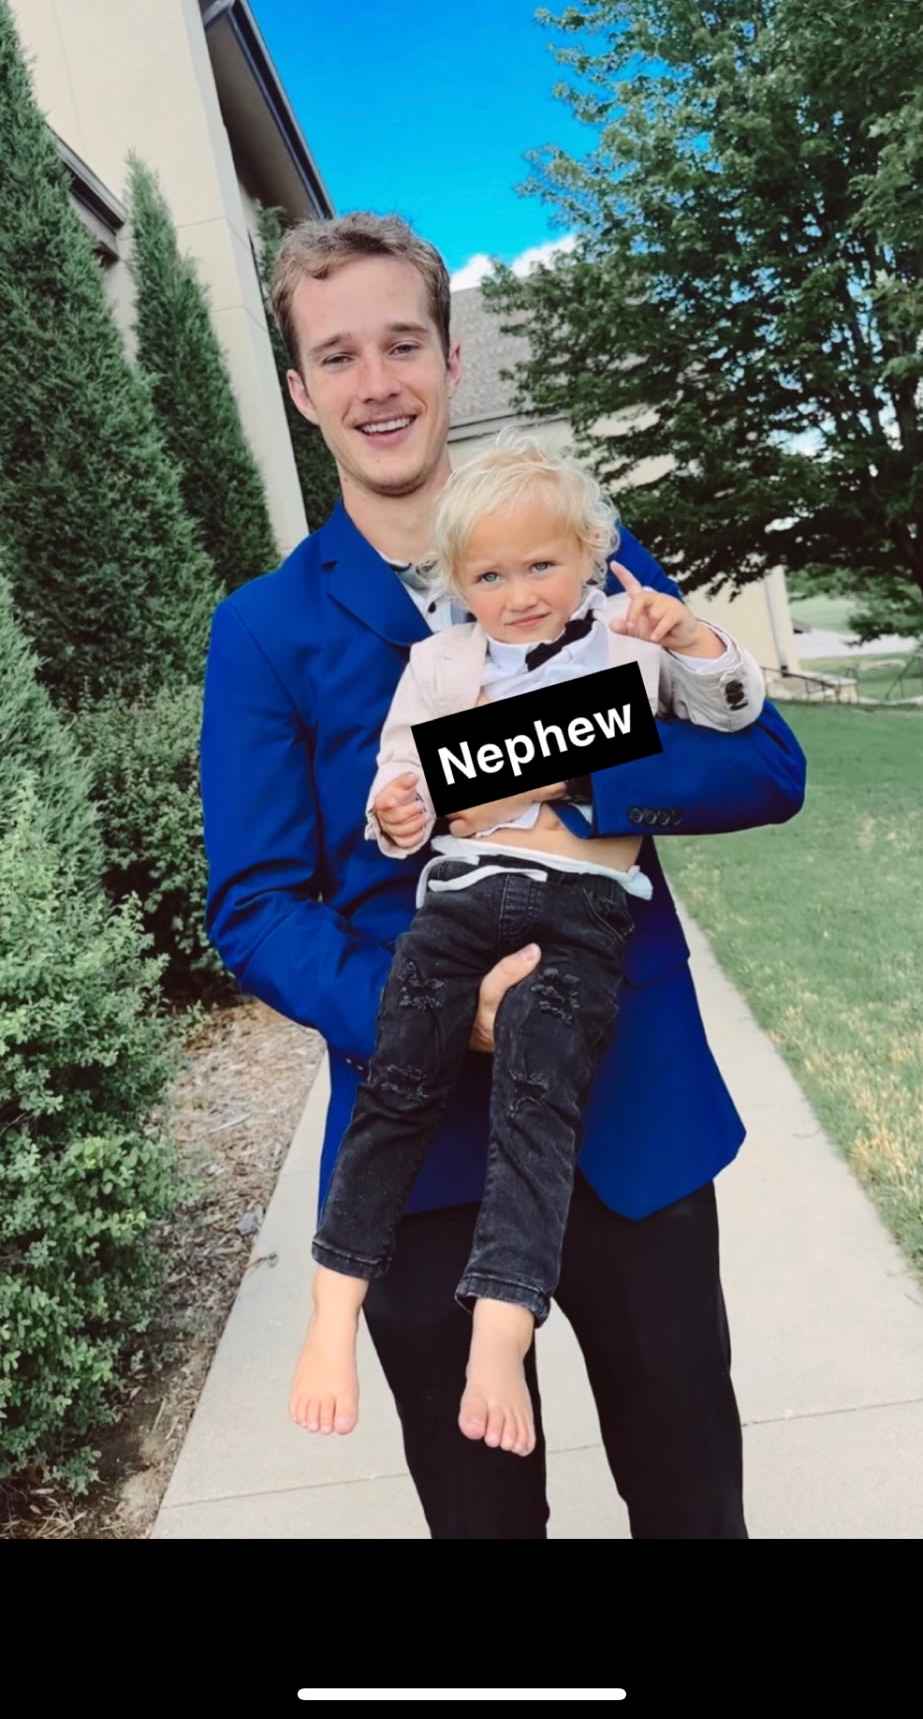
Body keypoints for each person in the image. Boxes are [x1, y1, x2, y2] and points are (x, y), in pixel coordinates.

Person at [199, 211, 806, 1539]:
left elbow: (763, 761)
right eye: (338, 356)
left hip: (628, 1110)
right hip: (423, 1158)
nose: (376, 383)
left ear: (450, 357)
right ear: (301, 388)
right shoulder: (264, 630)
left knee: (692, 1502)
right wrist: (437, 1012)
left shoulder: (580, 549)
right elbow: (251, 906)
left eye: (401, 344)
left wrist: (568, 781)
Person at [292, 433, 766, 1459]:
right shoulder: (439, 664)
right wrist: (402, 808)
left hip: (581, 914)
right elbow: (396, 790)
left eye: (540, 567)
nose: (516, 595)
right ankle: (333, 1299)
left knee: (537, 1099)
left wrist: (690, 636)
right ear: (459, 582)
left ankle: (500, 1328)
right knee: (399, 1074)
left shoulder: (629, 646)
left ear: (589, 554)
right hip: (462, 901)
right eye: (490, 577)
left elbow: (737, 719)